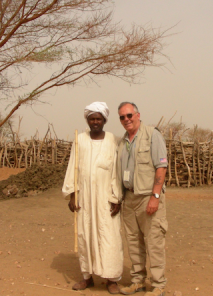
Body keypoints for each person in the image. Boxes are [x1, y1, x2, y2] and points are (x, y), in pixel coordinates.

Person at [62, 102, 123, 294]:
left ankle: (111, 279)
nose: (95, 121)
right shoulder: (79, 139)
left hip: (106, 197)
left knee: (109, 236)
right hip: (85, 197)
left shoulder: (113, 140)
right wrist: (73, 195)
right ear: (87, 120)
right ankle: (87, 277)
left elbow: (116, 170)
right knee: (85, 234)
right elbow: (73, 167)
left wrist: (116, 197)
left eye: (98, 118)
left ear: (104, 120)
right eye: (92, 118)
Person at [116, 102, 168, 296]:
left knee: (154, 241)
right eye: (122, 117)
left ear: (138, 115)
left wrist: (155, 196)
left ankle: (158, 285)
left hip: (148, 197)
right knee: (133, 242)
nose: (126, 119)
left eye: (129, 115)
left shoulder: (152, 135)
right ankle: (138, 281)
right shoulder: (122, 142)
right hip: (129, 198)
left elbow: (161, 167)